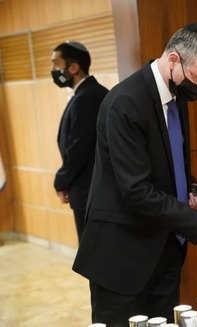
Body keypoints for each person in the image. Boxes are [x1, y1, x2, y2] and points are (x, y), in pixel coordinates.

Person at [72, 24, 197, 326]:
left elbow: (168, 163)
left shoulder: (176, 93)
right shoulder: (125, 102)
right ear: (172, 60)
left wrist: (190, 190)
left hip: (165, 250)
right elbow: (137, 191)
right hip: (122, 256)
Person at [51, 41, 109, 242]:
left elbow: (78, 149)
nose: (53, 70)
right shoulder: (87, 94)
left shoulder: (88, 97)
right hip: (90, 191)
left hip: (90, 192)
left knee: (95, 257)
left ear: (73, 67)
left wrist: (61, 181)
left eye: (56, 64)